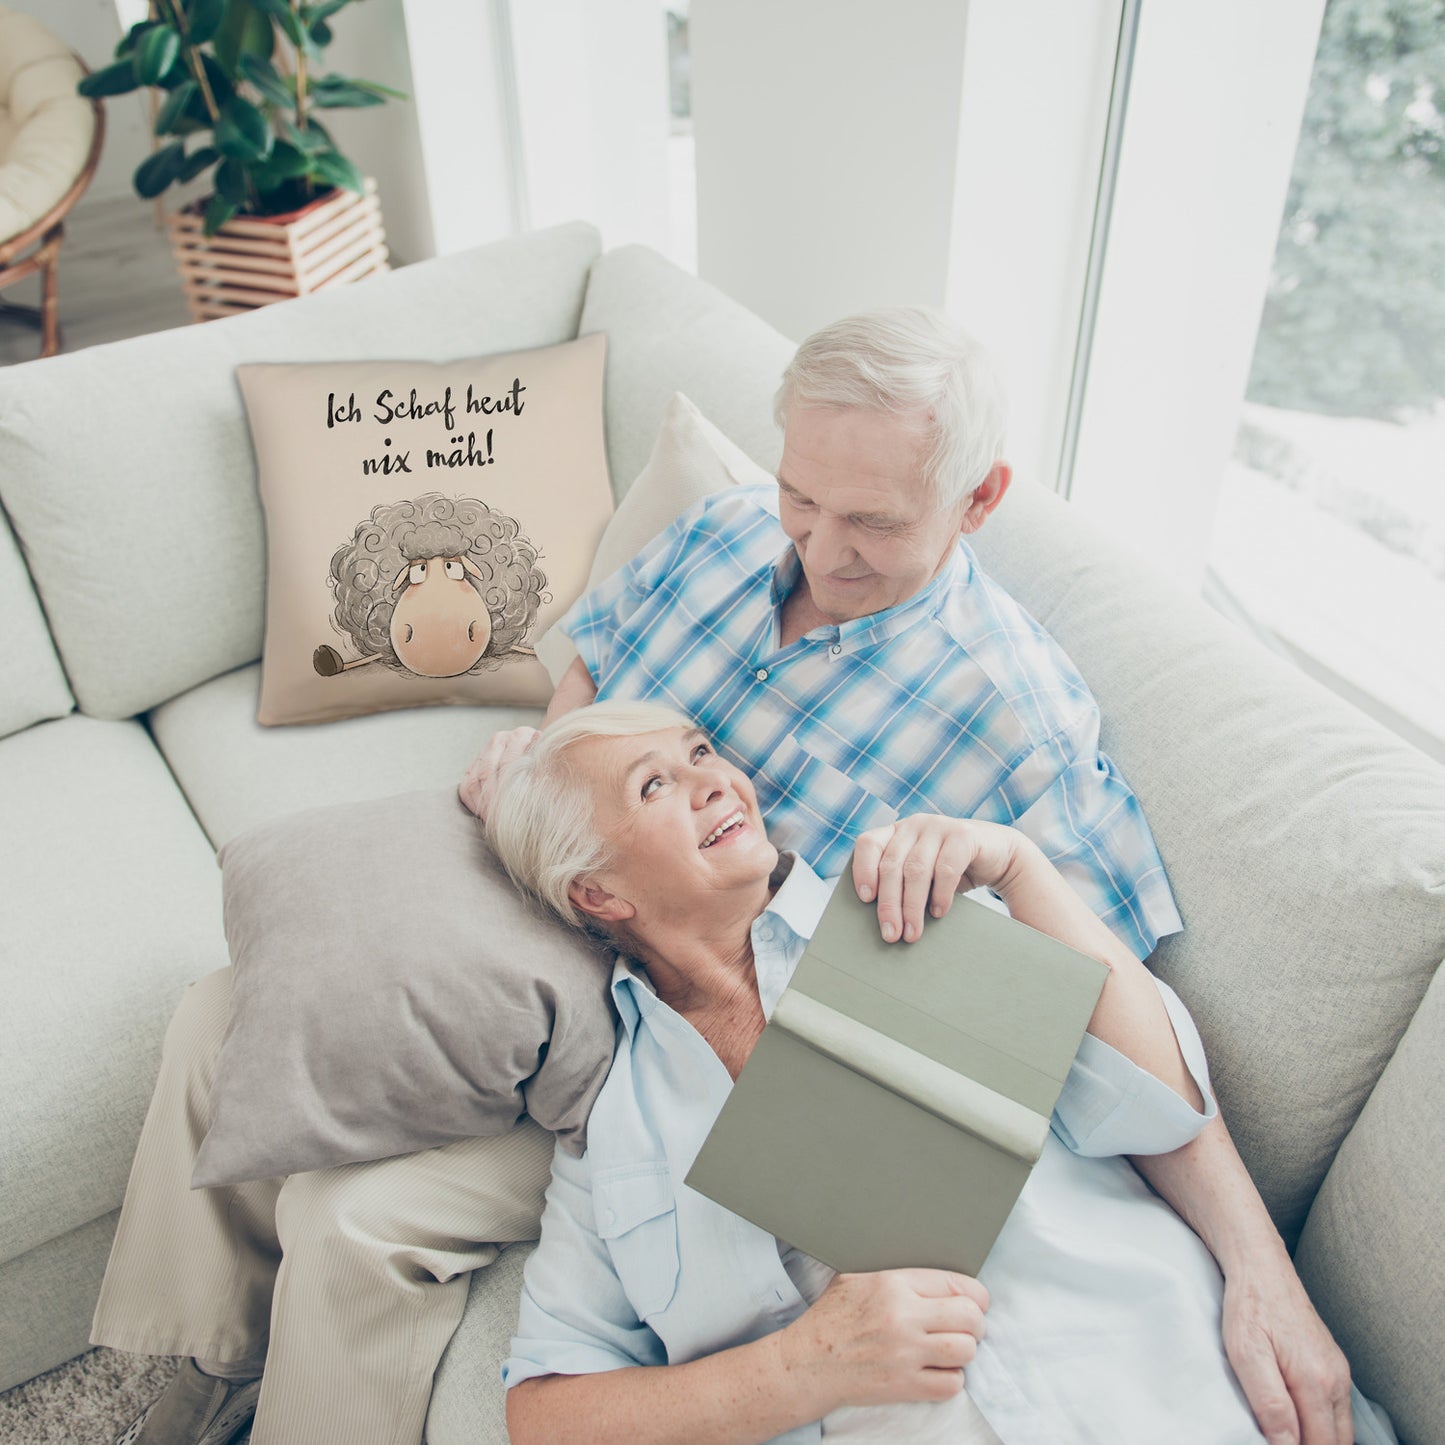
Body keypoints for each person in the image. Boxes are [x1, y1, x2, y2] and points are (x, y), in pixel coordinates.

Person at [94, 309, 1348, 1445]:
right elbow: (591, 672)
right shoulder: (725, 532)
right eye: (804, 495)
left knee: (355, 1218)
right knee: (229, 1007)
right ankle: (193, 1363)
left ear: (976, 501)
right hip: (582, 889)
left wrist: (1260, 1267)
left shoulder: (1016, 725)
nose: (818, 544)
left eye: (871, 520)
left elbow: (1103, 1021)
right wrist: (545, 765)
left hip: (694, 1014)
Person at [486, 700, 1381, 1445]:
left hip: (1174, 1391)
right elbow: (545, 1413)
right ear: (597, 893)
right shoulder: (615, 1132)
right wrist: (802, 1367)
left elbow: (1158, 1105)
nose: (715, 779)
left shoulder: (908, 907)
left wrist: (1021, 869)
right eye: (655, 784)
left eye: (700, 752)